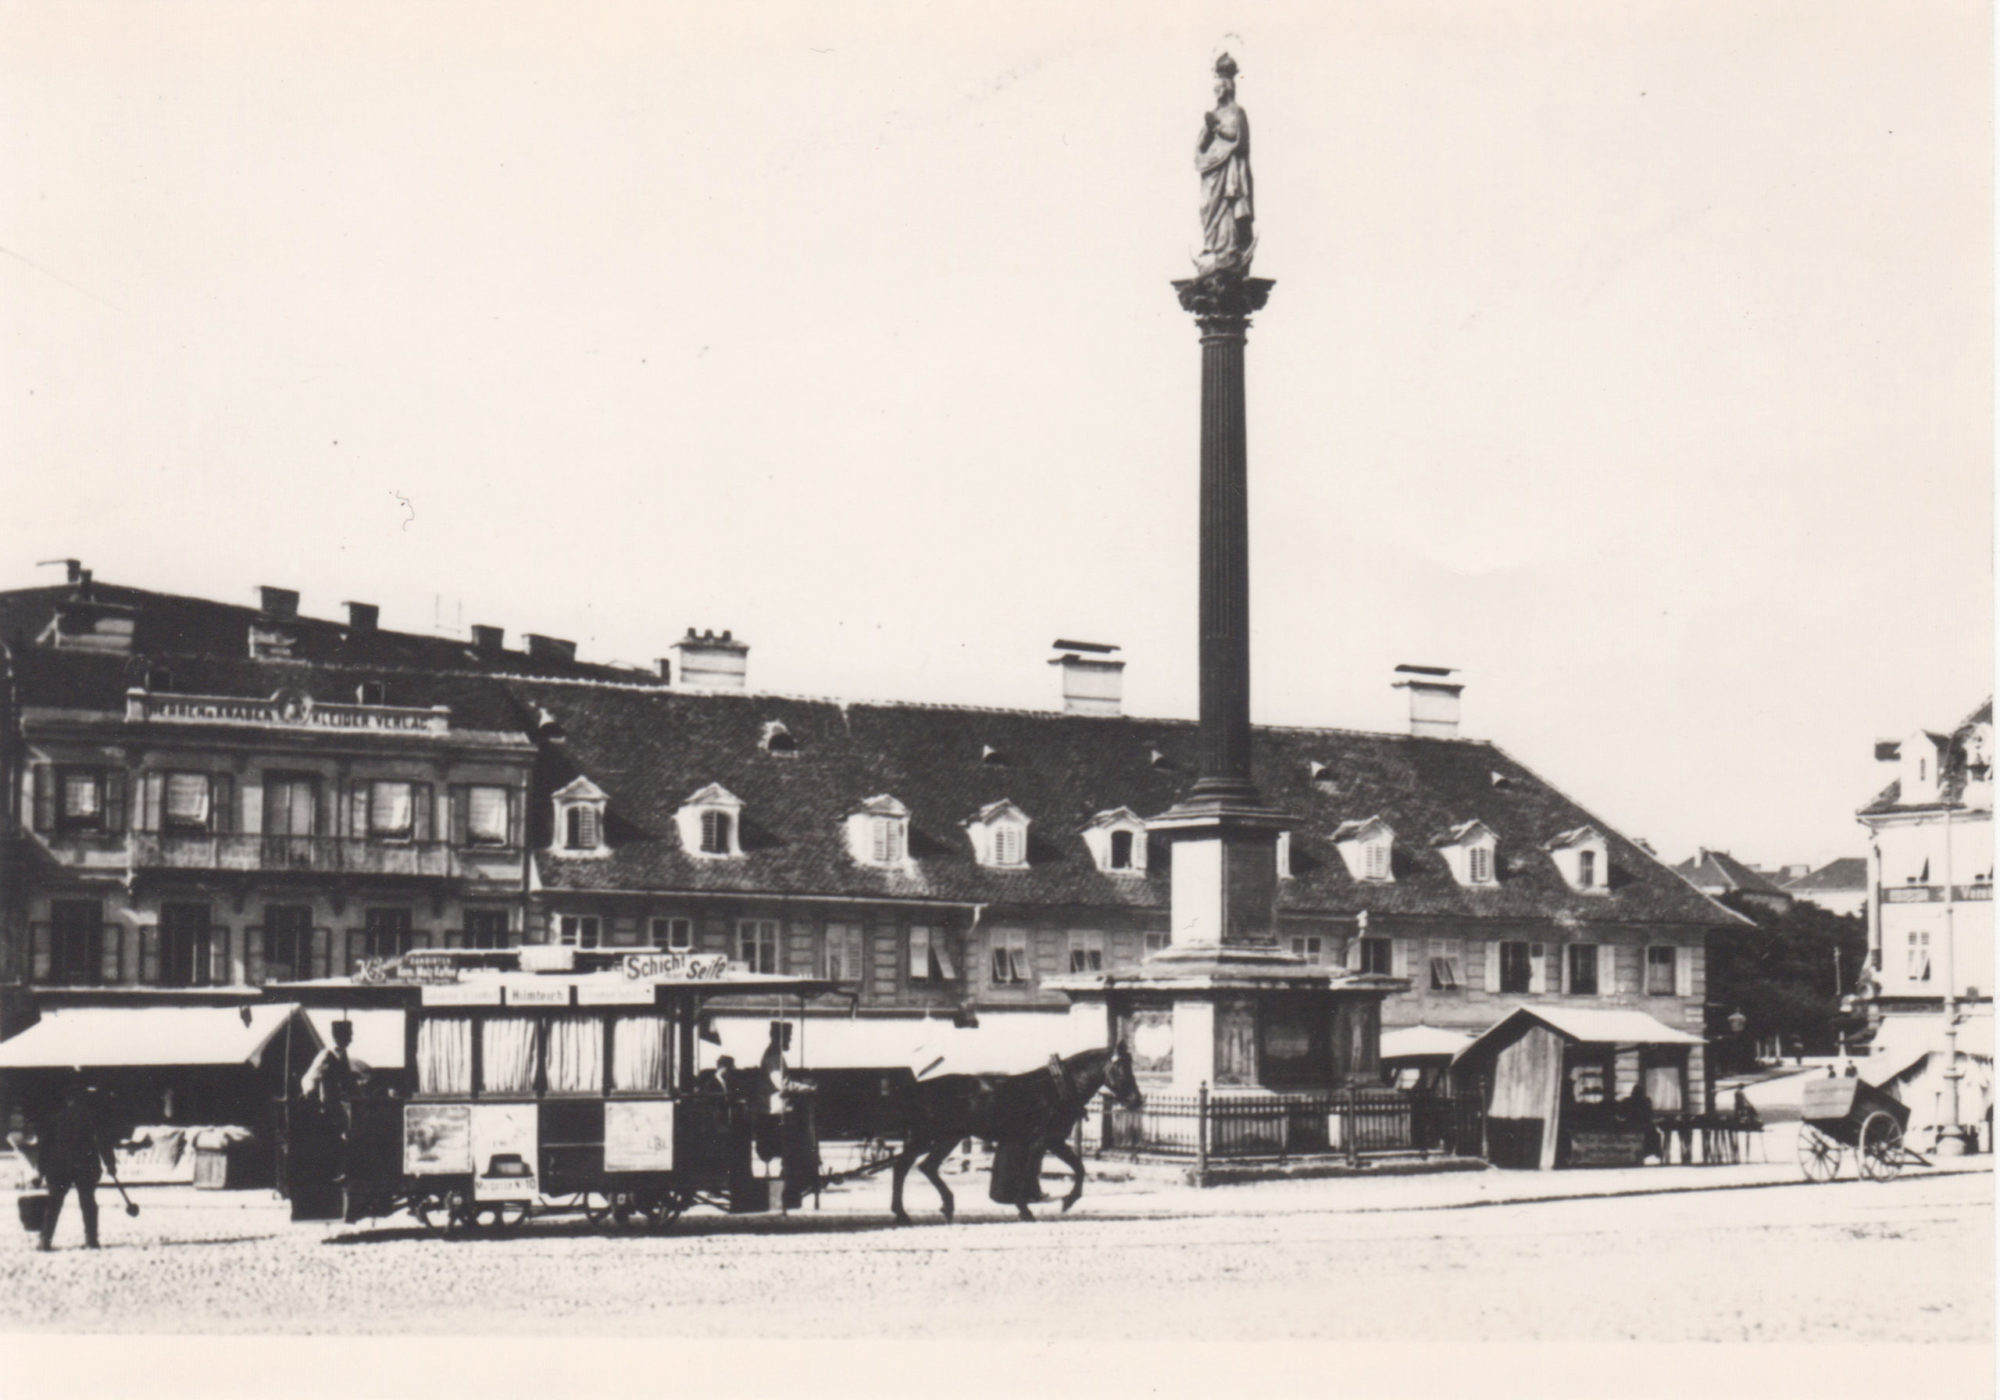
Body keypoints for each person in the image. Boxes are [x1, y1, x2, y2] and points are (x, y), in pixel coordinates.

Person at [36, 1082, 120, 1251]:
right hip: (85, 1165)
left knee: (54, 1203)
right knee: (88, 1202)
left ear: (68, 1099)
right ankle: (92, 1239)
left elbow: (45, 1146)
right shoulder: (92, 1116)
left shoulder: (56, 1117)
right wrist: (110, 1163)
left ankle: (45, 1240)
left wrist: (41, 1171)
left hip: (59, 1166)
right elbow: (103, 1141)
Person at [1195, 53, 1255, 276]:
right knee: (1207, 207)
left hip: (1230, 175)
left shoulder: (1237, 112)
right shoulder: (1214, 115)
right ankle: (1211, 248)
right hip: (1212, 174)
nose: (1217, 90)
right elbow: (1200, 149)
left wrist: (1219, 129)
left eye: (1221, 86)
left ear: (1228, 87)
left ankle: (1228, 252)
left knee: (1227, 213)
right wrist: (1210, 130)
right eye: (1215, 86)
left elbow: (1241, 143)